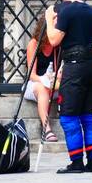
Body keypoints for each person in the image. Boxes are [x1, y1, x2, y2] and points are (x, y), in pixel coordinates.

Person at [46, 0, 92, 174]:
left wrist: (48, 20)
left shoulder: (67, 11)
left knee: (69, 117)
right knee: (90, 116)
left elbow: (53, 40)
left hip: (75, 66)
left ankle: (77, 161)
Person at [23, 15, 59, 144]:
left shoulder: (57, 46)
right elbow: (31, 75)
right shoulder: (34, 44)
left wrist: (56, 76)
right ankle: (46, 128)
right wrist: (43, 79)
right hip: (35, 84)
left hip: (54, 85)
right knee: (42, 88)